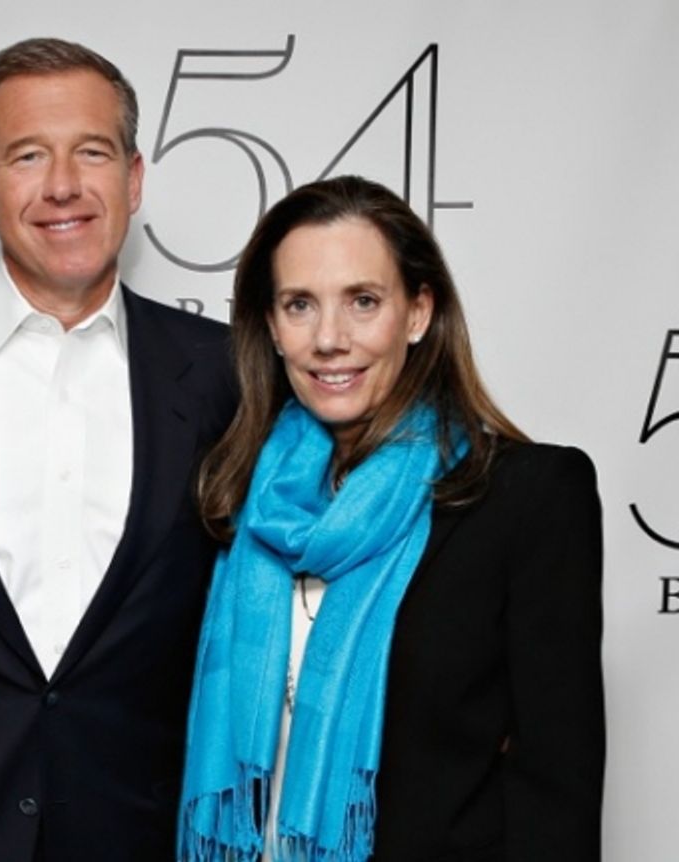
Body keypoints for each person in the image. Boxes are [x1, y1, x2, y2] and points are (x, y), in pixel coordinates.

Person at [179, 175, 605, 861]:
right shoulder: (235, 491)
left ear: (417, 313)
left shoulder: (526, 497)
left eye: (363, 302)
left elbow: (557, 787)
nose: (329, 339)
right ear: (270, 324)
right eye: (299, 305)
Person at [0, 38, 237, 861]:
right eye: (28, 155)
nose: (64, 186)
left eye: (92, 152)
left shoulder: (228, 374)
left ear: (135, 178)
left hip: (139, 833)